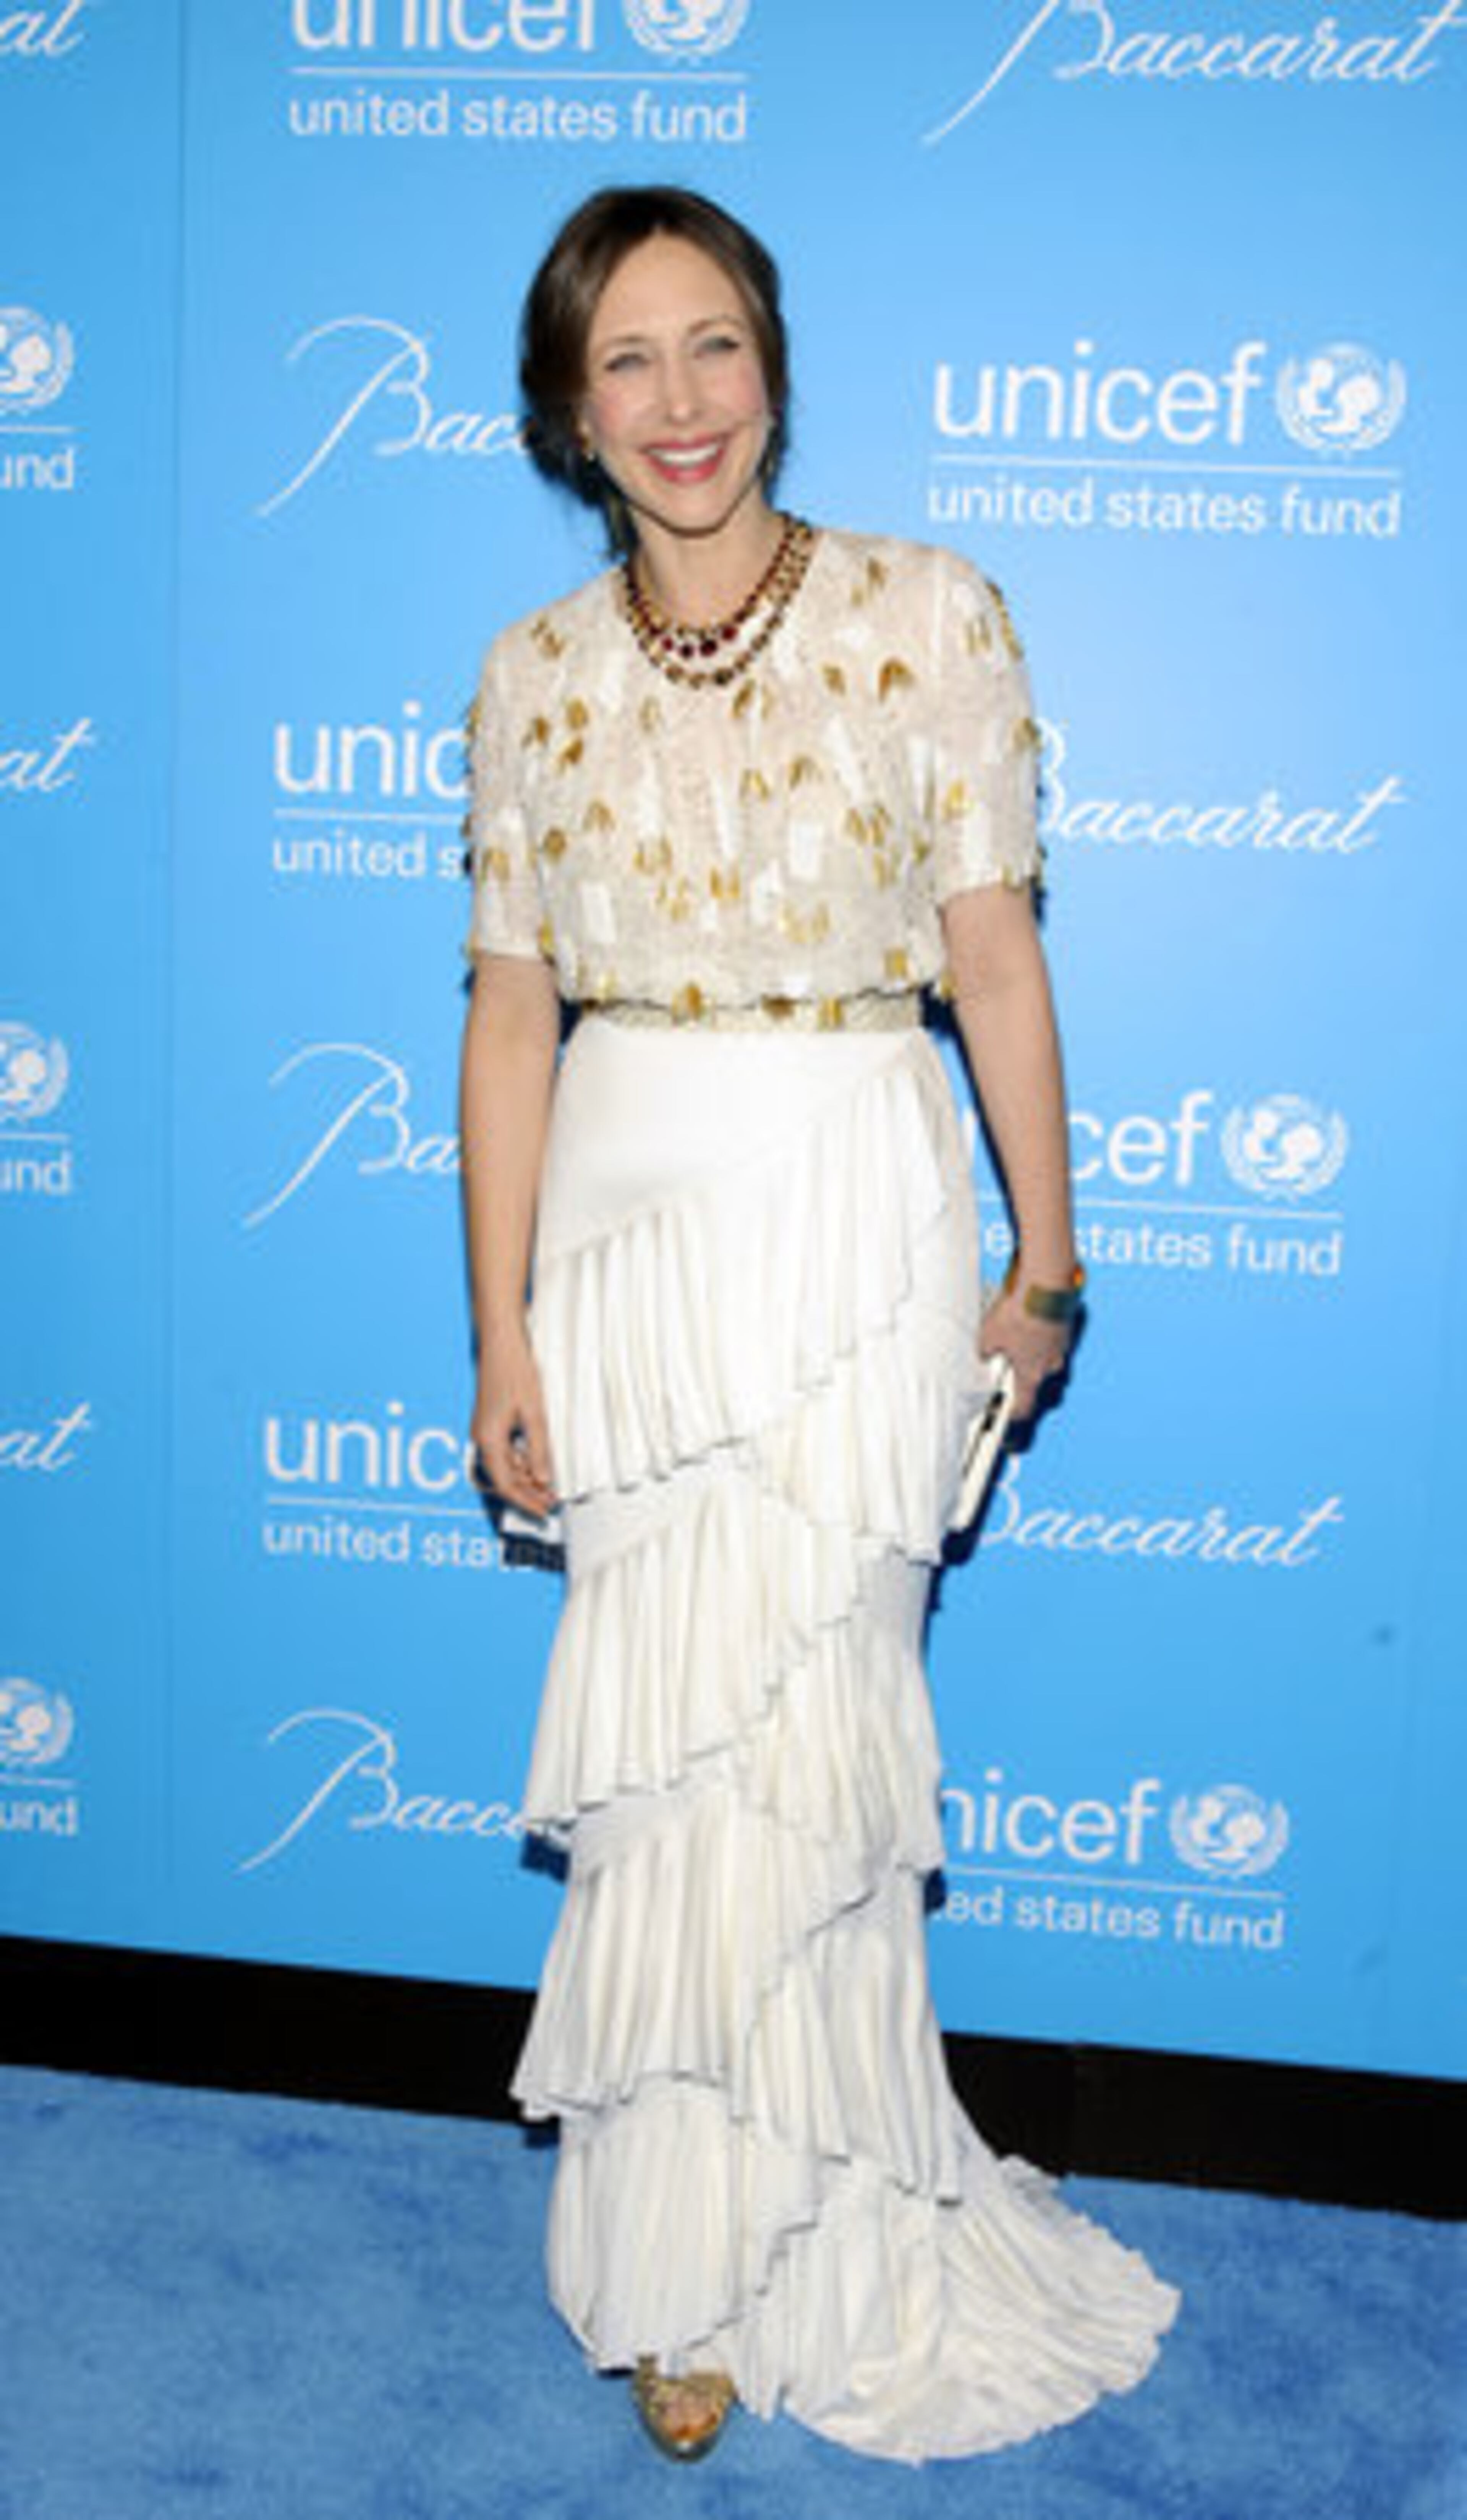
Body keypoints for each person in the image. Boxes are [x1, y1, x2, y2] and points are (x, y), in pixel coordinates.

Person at [458, 185, 1179, 2466]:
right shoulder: (531, 674)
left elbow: (992, 963)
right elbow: (506, 1024)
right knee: (669, 1778)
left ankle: (842, 2247)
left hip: (861, 1206)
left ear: (774, 359)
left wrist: (1043, 1259)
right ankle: (680, 2270)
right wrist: (502, 1338)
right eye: (629, 362)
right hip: (629, 1230)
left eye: (715, 345)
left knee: (825, 1746)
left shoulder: (928, 614)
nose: (681, 402)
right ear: (574, 411)